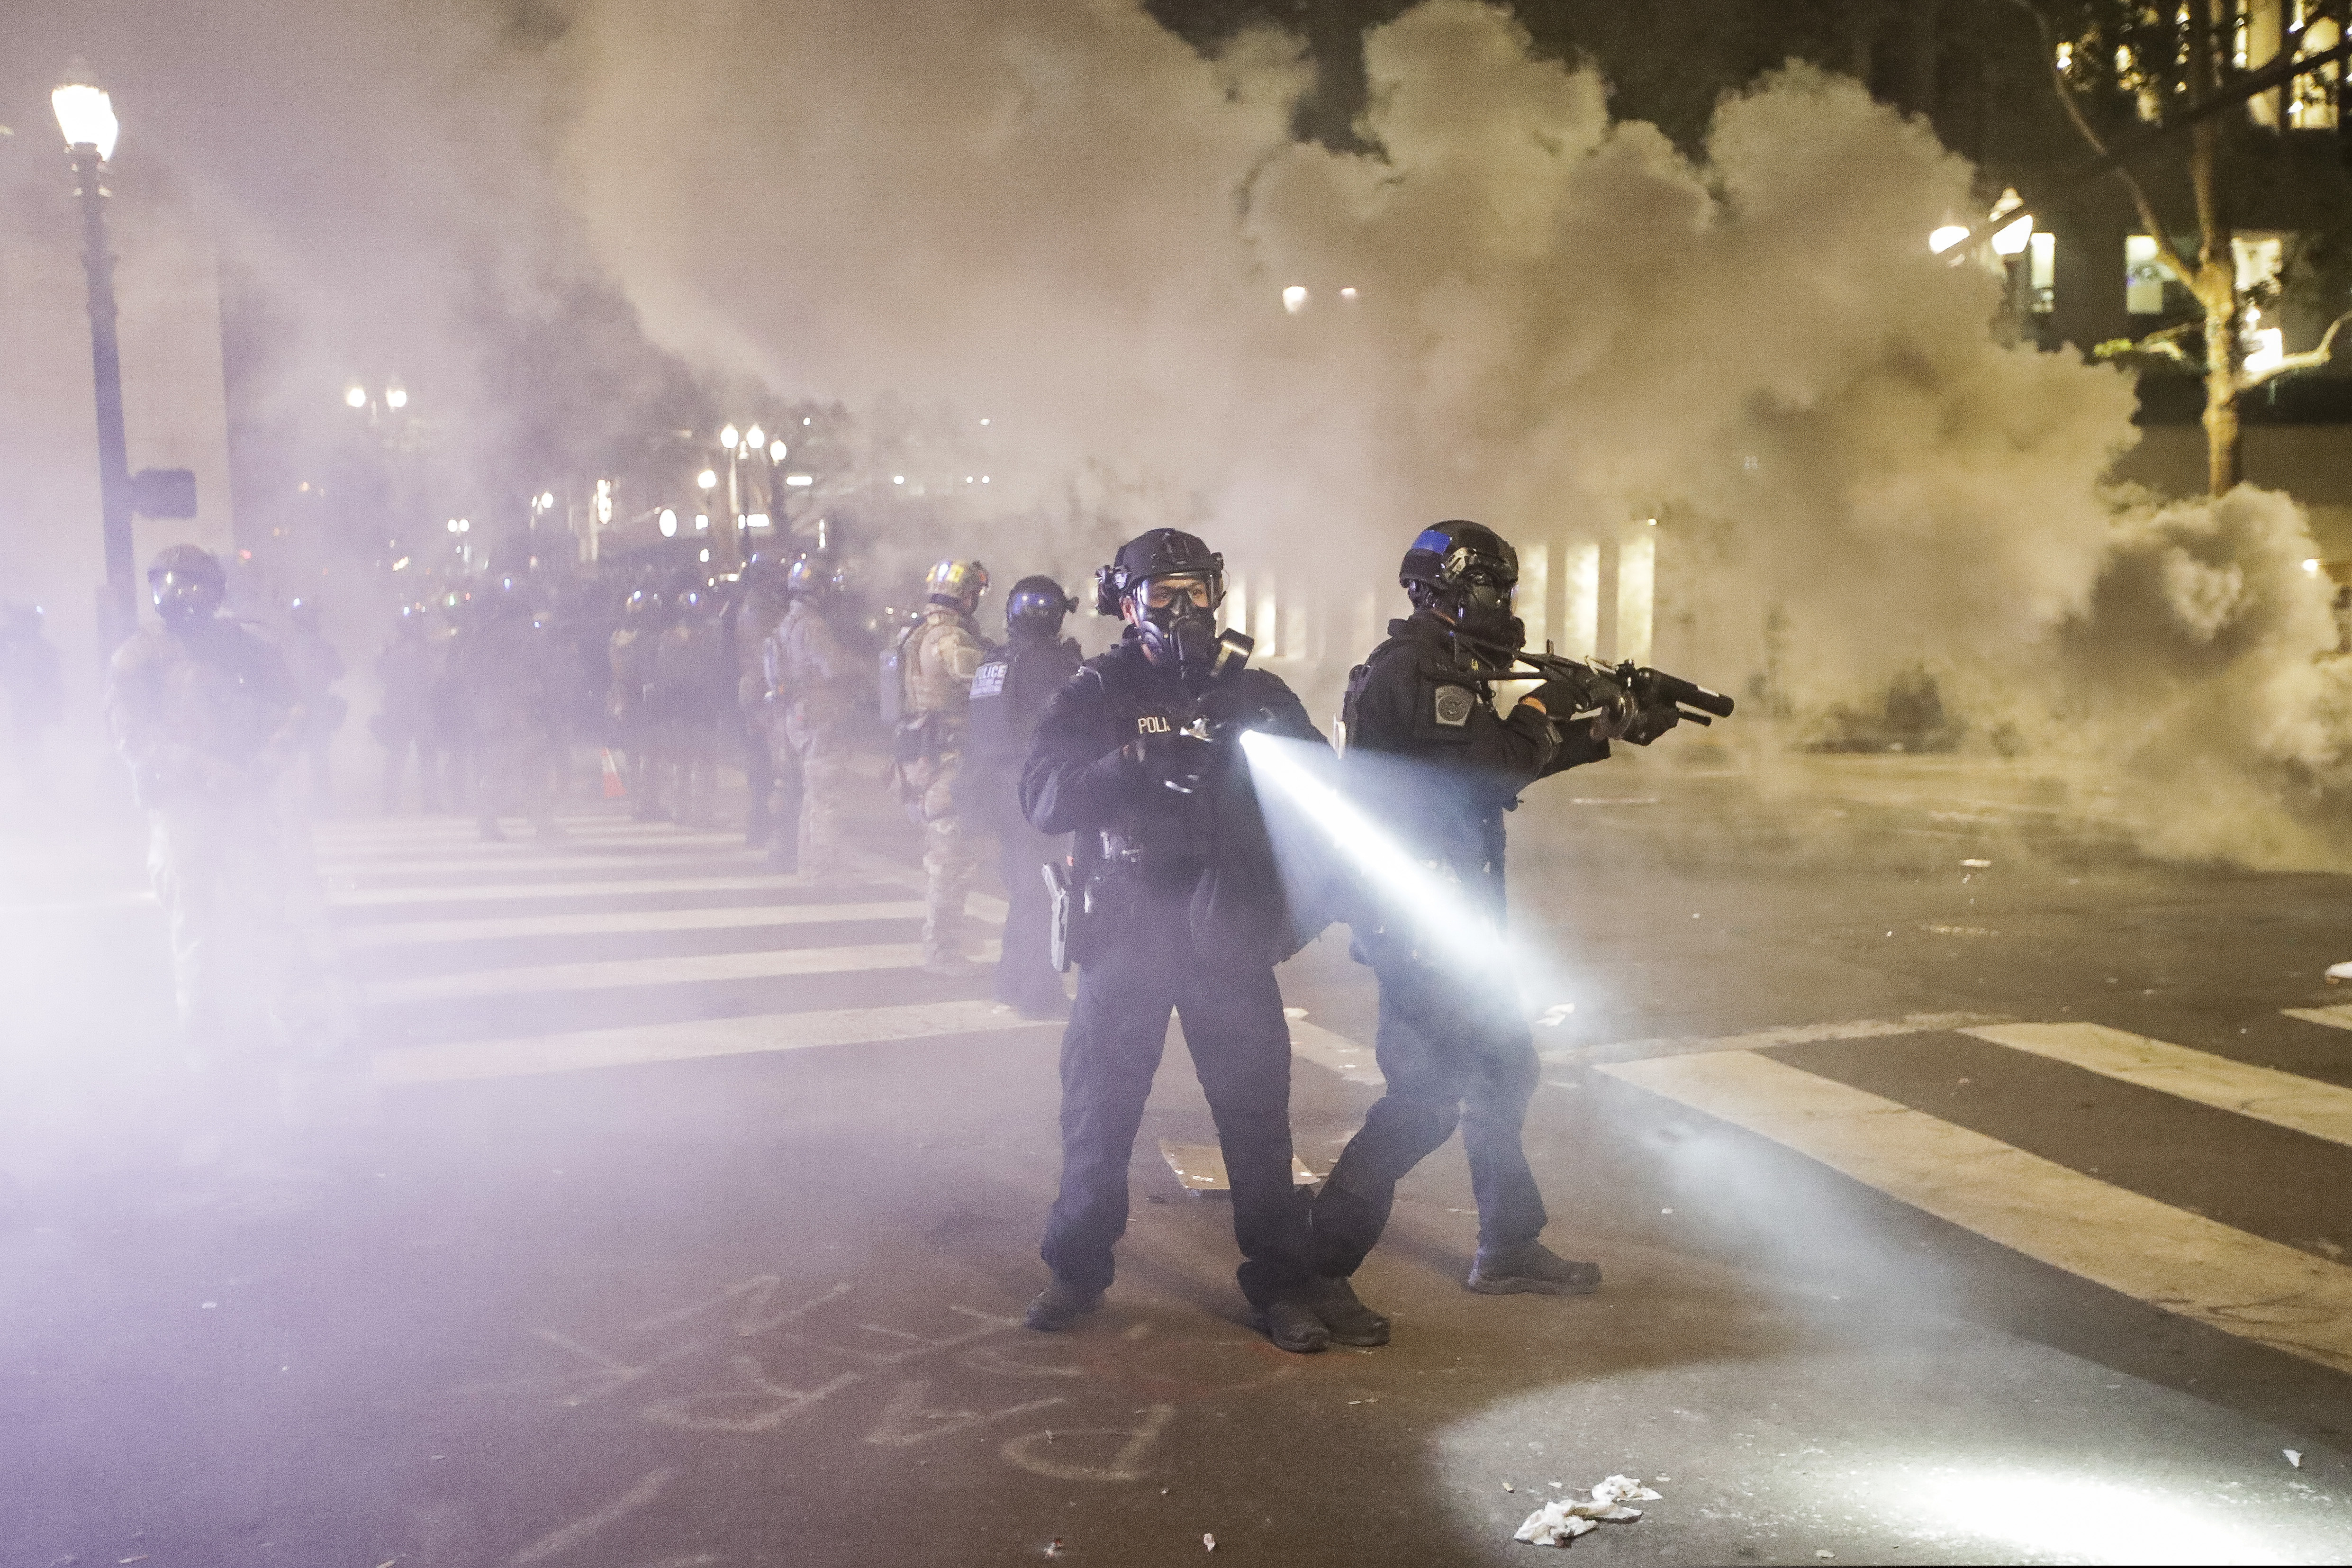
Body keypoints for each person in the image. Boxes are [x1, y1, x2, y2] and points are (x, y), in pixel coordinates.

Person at [1307, 520, 1629, 1343]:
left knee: (1504, 1067)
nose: (1501, 602)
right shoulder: (1417, 673)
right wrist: (1547, 706)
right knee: (1422, 1100)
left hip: (1456, 916)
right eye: (1487, 585)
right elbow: (1490, 764)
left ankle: (1508, 1243)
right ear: (1435, 591)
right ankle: (1311, 1269)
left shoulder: (1445, 668)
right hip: (1419, 922)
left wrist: (1596, 730)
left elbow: (1488, 764)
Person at [1018, 528, 1332, 1353]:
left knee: (1257, 1120)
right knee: (1098, 1110)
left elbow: (1321, 796)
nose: (1180, 608)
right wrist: (1130, 760)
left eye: (1194, 590)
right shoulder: (1096, 689)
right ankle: (1076, 1268)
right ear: (1125, 603)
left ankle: (1281, 1284)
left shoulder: (1254, 691)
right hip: (1126, 929)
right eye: (1161, 593)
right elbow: (1044, 798)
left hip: (1224, 932)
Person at [106, 545, 314, 1062]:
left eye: (192, 584)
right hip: (182, 810)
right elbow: (131, 737)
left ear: (215, 592)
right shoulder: (138, 657)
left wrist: (259, 768)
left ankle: (293, 1026)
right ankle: (202, 1039)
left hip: (243, 802)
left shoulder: (246, 648)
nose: (179, 595)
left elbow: (294, 711)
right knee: (193, 927)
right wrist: (202, 768)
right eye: (170, 583)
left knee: (266, 915)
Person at [966, 575, 1082, 1018]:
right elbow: (1073, 720)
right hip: (1032, 790)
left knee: (1024, 888)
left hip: (994, 791)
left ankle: (1010, 981)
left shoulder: (993, 661)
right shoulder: (1050, 662)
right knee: (1045, 892)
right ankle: (1039, 992)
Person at [896, 558, 990, 975]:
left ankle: (943, 943)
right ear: (965, 595)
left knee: (943, 855)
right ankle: (941, 950)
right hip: (947, 759)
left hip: (923, 757)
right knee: (951, 860)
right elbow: (984, 682)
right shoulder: (949, 638)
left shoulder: (915, 633)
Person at [765, 554, 862, 879]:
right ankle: (824, 866)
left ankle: (809, 862)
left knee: (812, 792)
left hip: (797, 714)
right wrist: (862, 665)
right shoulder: (813, 626)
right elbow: (834, 666)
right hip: (819, 714)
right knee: (826, 796)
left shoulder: (785, 624)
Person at [459, 576, 567, 841]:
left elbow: (472, 674)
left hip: (494, 710)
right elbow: (539, 671)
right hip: (519, 709)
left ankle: (494, 820)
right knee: (527, 767)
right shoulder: (522, 635)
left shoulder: (485, 634)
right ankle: (537, 820)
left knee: (502, 766)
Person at [651, 582, 729, 828]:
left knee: (693, 761)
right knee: (691, 761)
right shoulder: (676, 638)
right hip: (688, 705)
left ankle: (694, 811)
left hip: (697, 705)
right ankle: (690, 811)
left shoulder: (707, 633)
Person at [733, 553, 794, 850]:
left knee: (762, 769)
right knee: (775, 770)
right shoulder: (762, 609)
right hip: (763, 693)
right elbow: (768, 653)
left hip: (753, 691)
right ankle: (774, 837)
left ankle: (760, 828)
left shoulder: (749, 606)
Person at [374, 603, 442, 814]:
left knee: (400, 758)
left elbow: (380, 673)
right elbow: (433, 677)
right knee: (426, 759)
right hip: (418, 709)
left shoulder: (394, 650)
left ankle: (390, 804)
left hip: (403, 710)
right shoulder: (423, 650)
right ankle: (430, 804)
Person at [281, 598, 347, 806]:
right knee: (318, 756)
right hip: (316, 705)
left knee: (286, 754)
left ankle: (290, 804)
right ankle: (321, 804)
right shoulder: (322, 646)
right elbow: (340, 672)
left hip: (290, 704)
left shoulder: (286, 644)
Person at [608, 586, 666, 817]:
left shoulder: (616, 638)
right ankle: (646, 805)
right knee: (648, 753)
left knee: (632, 754)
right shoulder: (647, 640)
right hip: (642, 699)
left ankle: (637, 803)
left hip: (622, 699)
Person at [0, 602, 63, 802]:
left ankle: (41, 793)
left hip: (30, 709)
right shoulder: (41, 650)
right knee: (30, 751)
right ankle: (41, 792)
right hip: (31, 709)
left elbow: (11, 676)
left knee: (30, 751)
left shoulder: (31, 651)